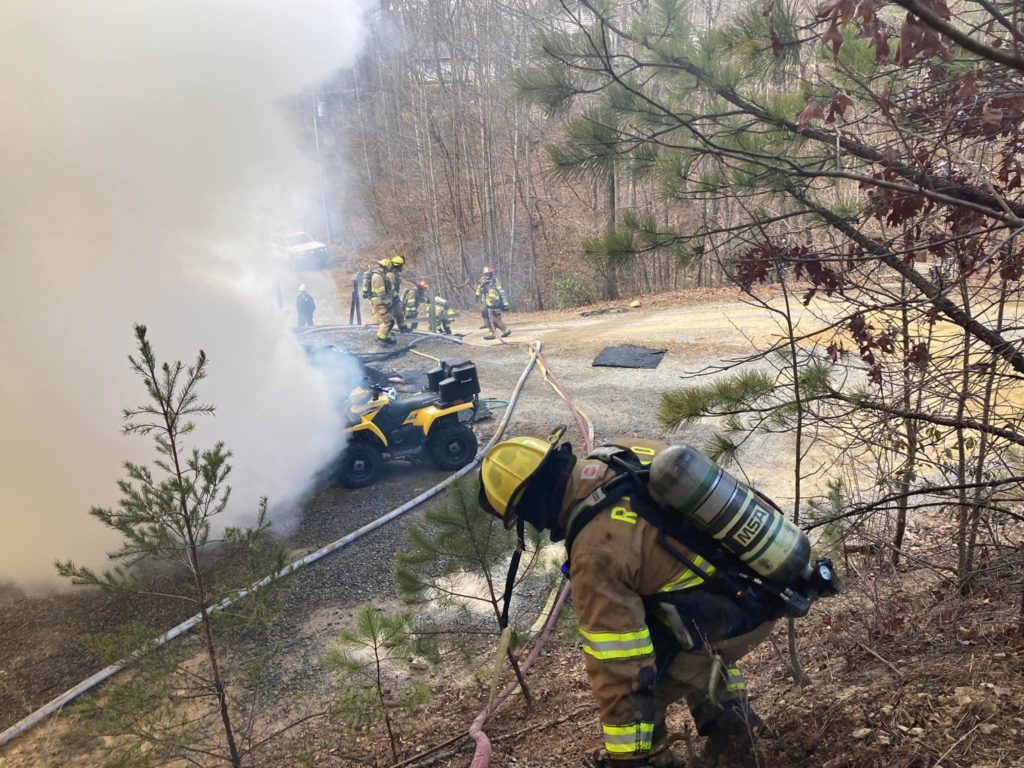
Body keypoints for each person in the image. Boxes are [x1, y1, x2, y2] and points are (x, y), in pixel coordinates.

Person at [477, 434, 837, 767]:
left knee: (647, 686)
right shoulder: (621, 452)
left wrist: (628, 756)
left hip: (734, 617)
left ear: (534, 507)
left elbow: (619, 665)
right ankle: (732, 727)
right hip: (764, 586)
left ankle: (660, 757)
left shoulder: (594, 551)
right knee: (668, 623)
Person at [369, 255, 409, 345]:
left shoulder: (382, 275)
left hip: (382, 301)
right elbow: (381, 293)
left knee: (389, 320)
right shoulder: (378, 276)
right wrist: (388, 303)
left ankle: (385, 338)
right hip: (380, 302)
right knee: (388, 321)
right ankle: (381, 339)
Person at [475, 266, 511, 340]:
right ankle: (505, 330)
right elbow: (479, 288)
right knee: (496, 319)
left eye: (488, 273)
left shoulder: (494, 283)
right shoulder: (482, 281)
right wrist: (477, 295)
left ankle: (492, 333)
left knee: (492, 319)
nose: (487, 275)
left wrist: (505, 304)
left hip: (493, 305)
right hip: (493, 303)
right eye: (486, 274)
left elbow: (500, 292)